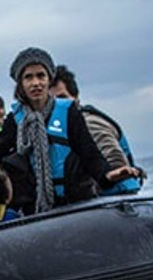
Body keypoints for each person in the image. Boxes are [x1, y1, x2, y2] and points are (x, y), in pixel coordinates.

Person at [0, 47, 139, 215]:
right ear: (21, 85)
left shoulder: (69, 112)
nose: (36, 83)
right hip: (35, 210)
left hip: (75, 203)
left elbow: (89, 152)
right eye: (28, 77)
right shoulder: (14, 121)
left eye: (41, 75)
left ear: (49, 79)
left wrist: (108, 175)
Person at [51, 65, 141, 195]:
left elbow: (116, 164)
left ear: (76, 97)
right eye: (53, 102)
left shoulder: (89, 122)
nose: (59, 105)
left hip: (116, 200)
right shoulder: (56, 130)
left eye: (62, 98)